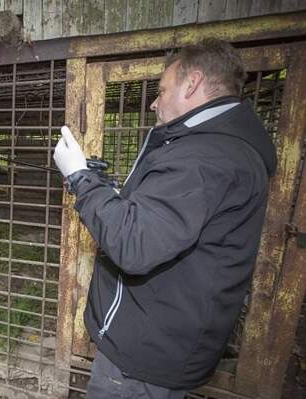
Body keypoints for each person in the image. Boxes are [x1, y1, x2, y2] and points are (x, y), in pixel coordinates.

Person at [53, 39, 277, 398]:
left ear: (192, 84)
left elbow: (135, 244)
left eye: (161, 90)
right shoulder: (220, 148)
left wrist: (81, 180)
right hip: (166, 340)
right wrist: (103, 188)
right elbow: (158, 220)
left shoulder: (206, 156)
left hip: (143, 356)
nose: (155, 102)